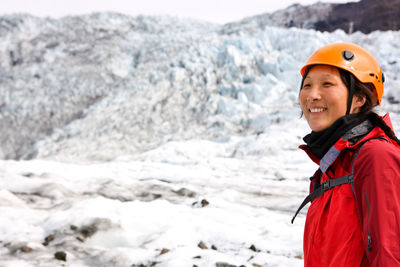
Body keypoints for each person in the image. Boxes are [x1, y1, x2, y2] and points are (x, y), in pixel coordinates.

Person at [291, 42, 400, 266]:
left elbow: (390, 256)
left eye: (327, 84)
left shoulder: (375, 156)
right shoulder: (333, 166)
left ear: (360, 99)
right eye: (307, 85)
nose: (312, 95)